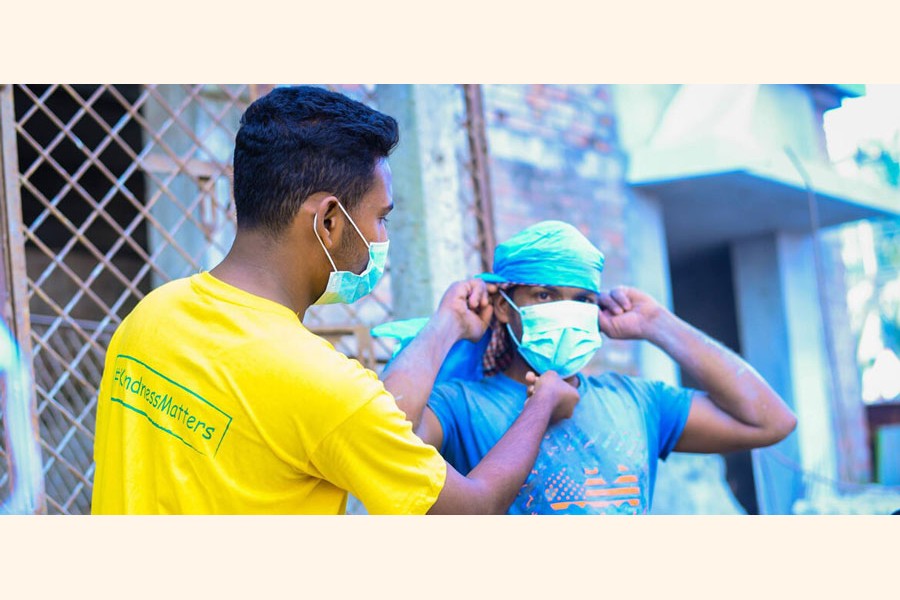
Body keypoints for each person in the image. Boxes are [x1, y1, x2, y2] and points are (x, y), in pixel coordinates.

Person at [91, 86, 579, 515]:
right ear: (329, 221)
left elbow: (377, 419)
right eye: (381, 217)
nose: (383, 236)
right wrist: (542, 404)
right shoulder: (319, 384)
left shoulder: (150, 316)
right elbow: (473, 507)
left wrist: (447, 323)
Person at [385, 220, 798, 514]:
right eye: (544, 295)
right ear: (504, 307)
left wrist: (659, 324)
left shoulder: (637, 400)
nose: (566, 310)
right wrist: (447, 324)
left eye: (582, 299)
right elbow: (385, 435)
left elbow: (771, 422)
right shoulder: (461, 405)